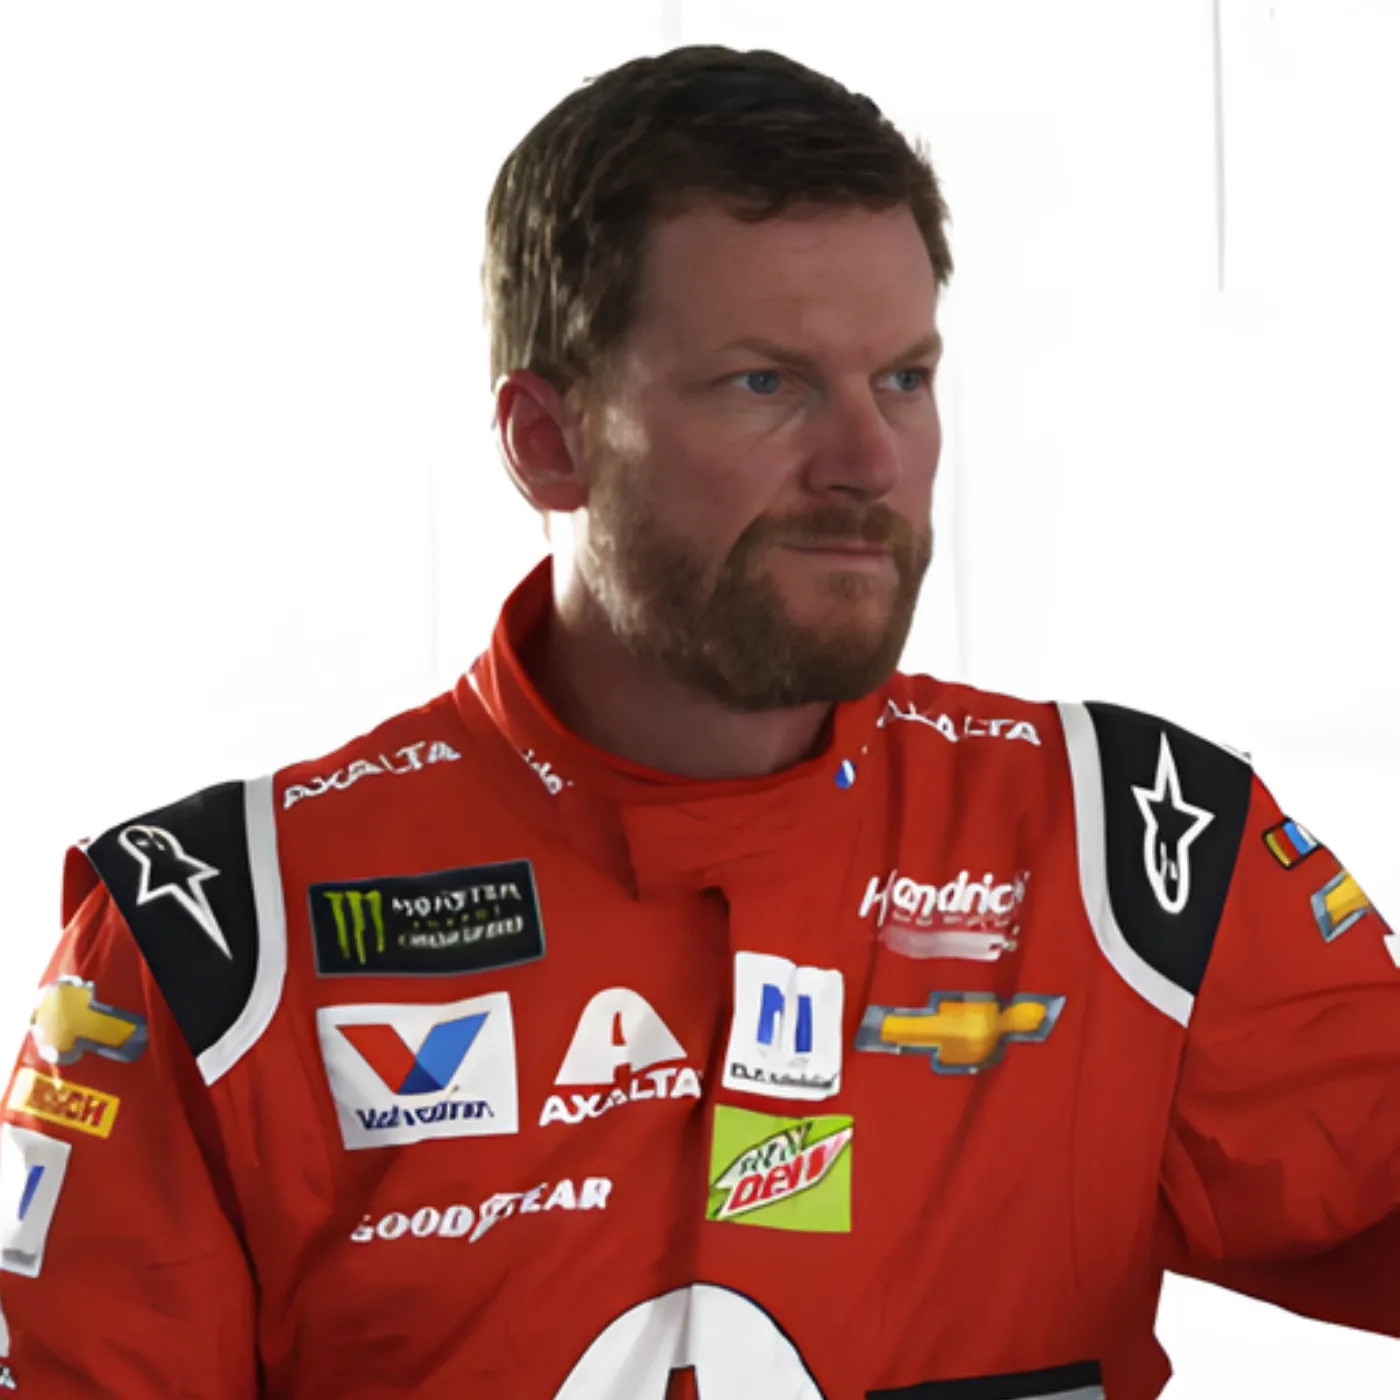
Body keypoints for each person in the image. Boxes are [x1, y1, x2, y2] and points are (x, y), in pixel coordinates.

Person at [0, 42, 1396, 1400]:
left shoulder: (1133, 846)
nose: (869, 462)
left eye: (904, 378)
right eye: (765, 383)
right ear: (547, 440)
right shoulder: (215, 936)